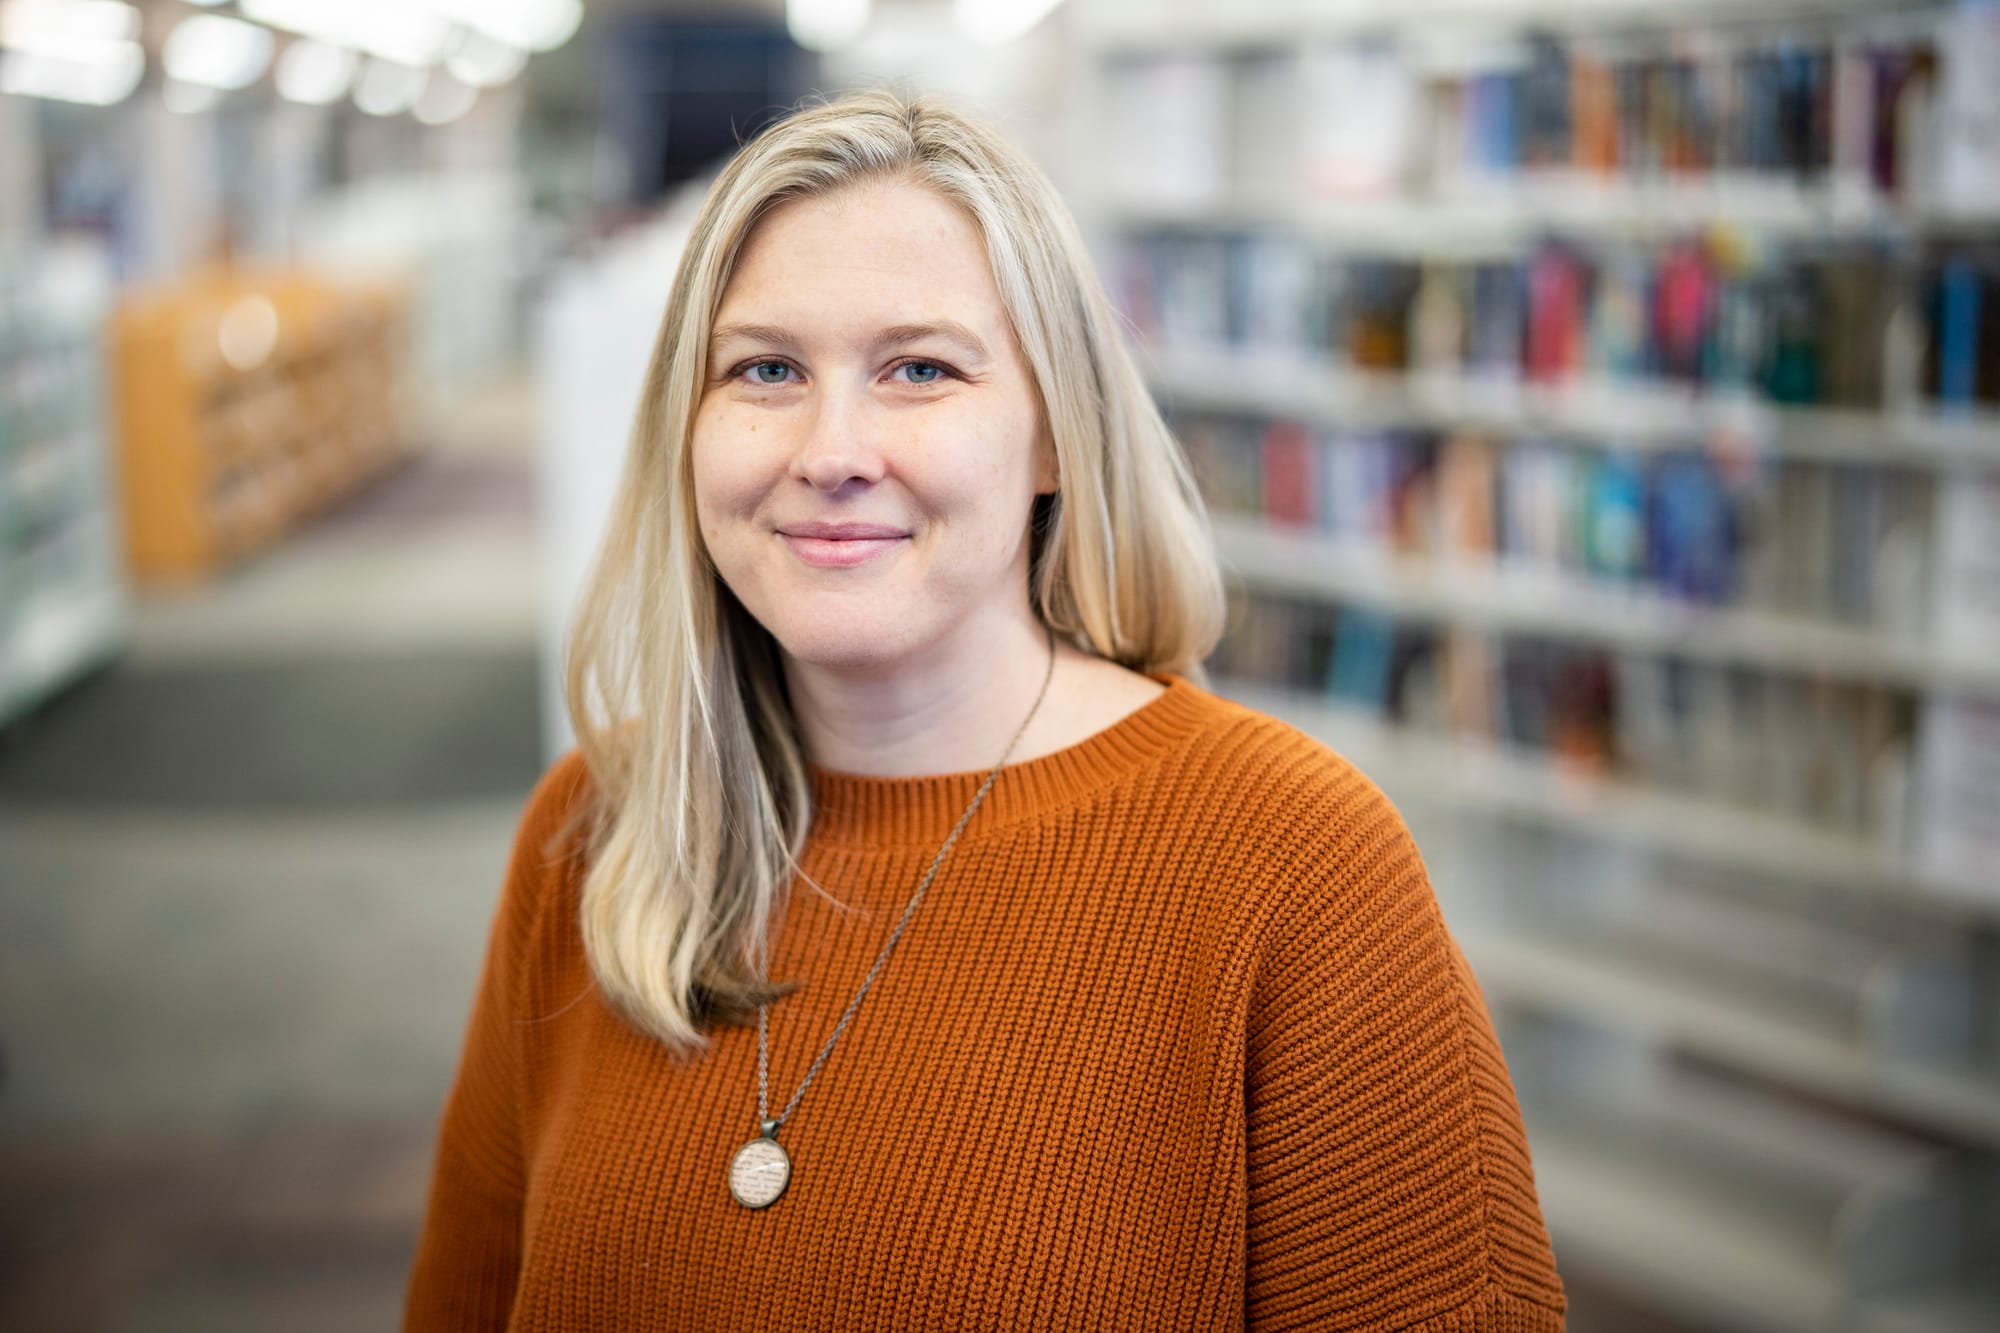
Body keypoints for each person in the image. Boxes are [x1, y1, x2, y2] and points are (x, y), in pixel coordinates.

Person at [403, 88, 1566, 1332]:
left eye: (918, 368)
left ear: (1055, 433)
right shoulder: (593, 830)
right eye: (765, 369)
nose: (830, 448)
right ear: (687, 430)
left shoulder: (1295, 865)